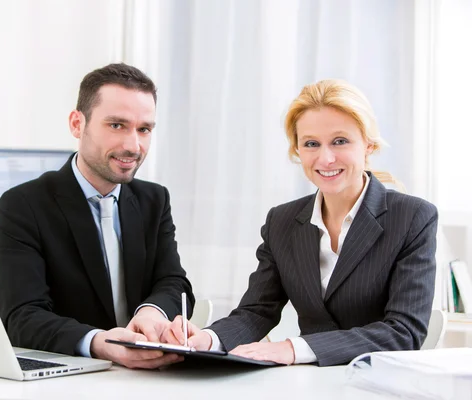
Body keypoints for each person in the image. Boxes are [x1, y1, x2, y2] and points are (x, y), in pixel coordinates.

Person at [162, 79, 438, 367]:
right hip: (305, 385)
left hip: (378, 385)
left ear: (368, 145)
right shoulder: (281, 221)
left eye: (340, 141)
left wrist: (294, 348)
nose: (326, 158)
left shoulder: (413, 217)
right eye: (311, 144)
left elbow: (403, 332)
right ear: (297, 150)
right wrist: (206, 340)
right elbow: (257, 312)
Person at [0, 63, 195, 369]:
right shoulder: (23, 205)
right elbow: (22, 317)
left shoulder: (154, 199)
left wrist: (151, 311)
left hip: (146, 379)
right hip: (70, 377)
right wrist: (102, 344)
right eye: (116, 125)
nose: (132, 146)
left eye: (144, 129)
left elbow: (173, 281)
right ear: (77, 124)